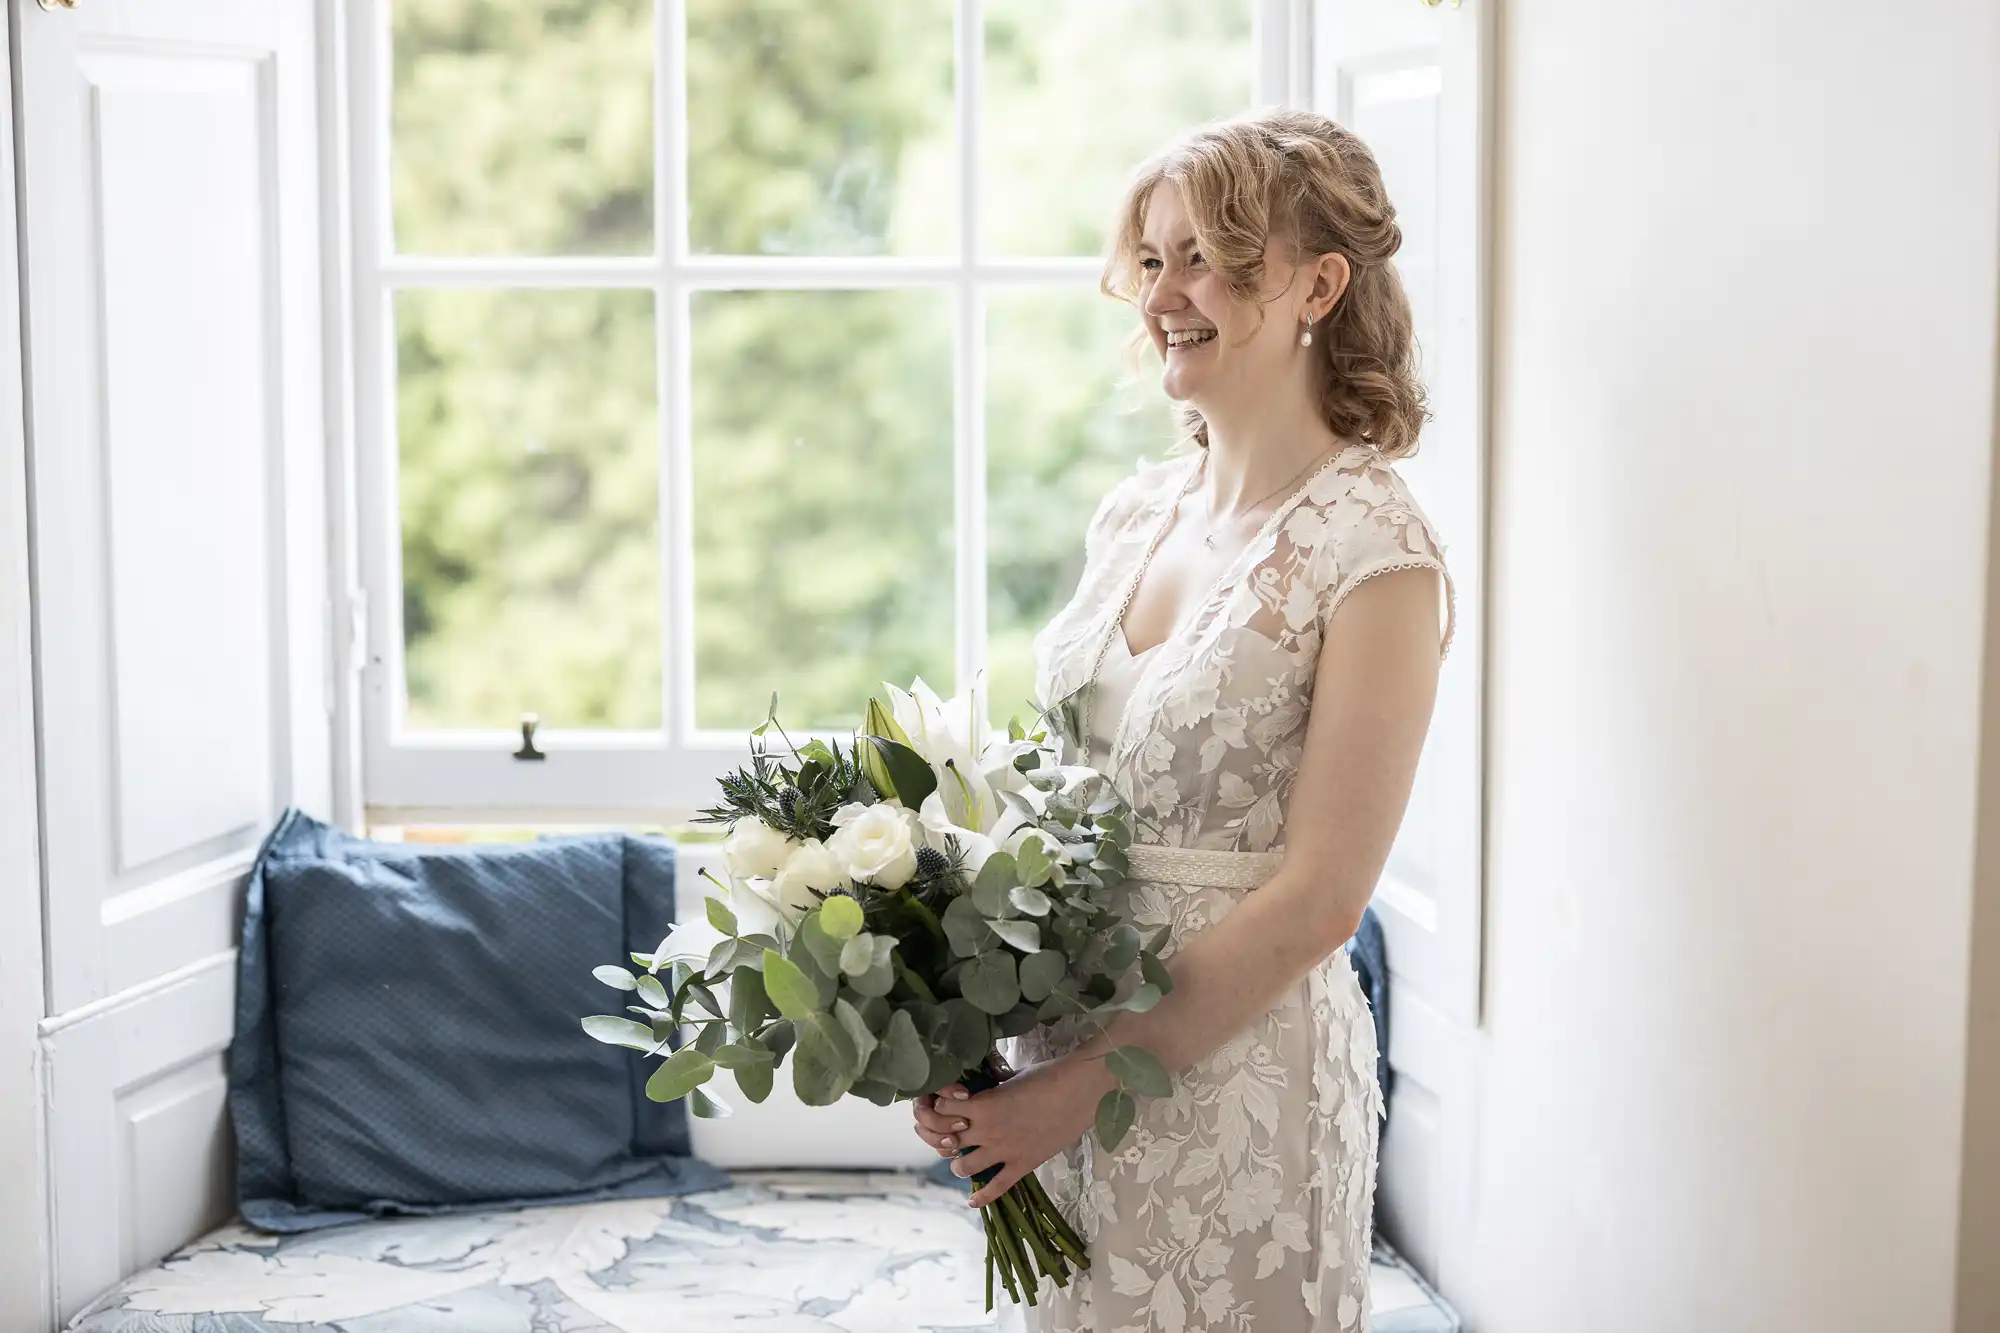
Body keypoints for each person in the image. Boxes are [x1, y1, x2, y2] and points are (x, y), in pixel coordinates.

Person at [911, 108, 1454, 1332]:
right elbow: (1061, 800)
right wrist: (954, 1033)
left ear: (1317, 284)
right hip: (1055, 1061)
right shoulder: (1133, 513)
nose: (1165, 292)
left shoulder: (1375, 552)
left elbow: (1321, 900)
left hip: (1236, 1092)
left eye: (1207, 255)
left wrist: (1087, 1085)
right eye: (1151, 259)